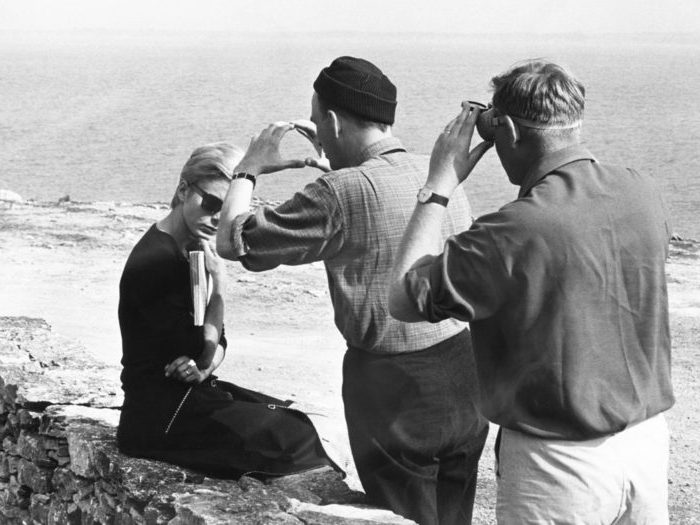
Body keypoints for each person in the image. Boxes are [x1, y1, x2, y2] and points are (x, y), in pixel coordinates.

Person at [389, 59, 675, 524]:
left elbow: (402, 299)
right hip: (645, 444)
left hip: (558, 464)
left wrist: (439, 185)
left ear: (511, 133)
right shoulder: (642, 191)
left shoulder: (512, 230)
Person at [215, 57, 488, 525]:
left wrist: (248, 169)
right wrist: (340, 168)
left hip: (393, 386)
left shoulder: (337, 193)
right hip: (466, 371)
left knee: (402, 516)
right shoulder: (439, 172)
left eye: (319, 119)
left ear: (333, 121)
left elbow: (232, 240)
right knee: (453, 513)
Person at [117, 142, 336, 478]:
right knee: (290, 438)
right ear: (183, 190)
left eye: (228, 207)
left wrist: (205, 361)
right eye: (211, 203)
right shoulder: (160, 260)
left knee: (292, 422)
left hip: (178, 400)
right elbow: (202, 351)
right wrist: (219, 286)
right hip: (159, 418)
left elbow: (213, 347)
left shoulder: (187, 247)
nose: (218, 217)